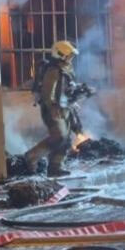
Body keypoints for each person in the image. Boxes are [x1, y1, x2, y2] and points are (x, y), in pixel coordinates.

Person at [25, 41, 91, 177]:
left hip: (65, 107)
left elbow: (67, 88)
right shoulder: (53, 70)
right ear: (61, 55)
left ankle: (55, 167)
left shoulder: (66, 69)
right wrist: (53, 109)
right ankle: (32, 156)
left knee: (66, 139)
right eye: (69, 56)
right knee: (59, 137)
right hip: (54, 109)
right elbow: (48, 94)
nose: (71, 58)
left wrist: (79, 93)